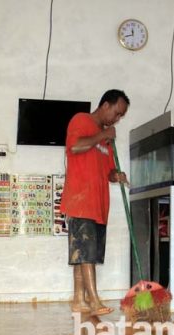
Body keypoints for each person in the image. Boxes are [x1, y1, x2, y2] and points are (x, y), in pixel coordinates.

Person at [60, 89, 130, 316]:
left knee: (83, 254)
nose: (117, 119)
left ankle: (79, 300)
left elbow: (108, 172)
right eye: (117, 113)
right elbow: (75, 147)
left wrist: (116, 175)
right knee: (87, 253)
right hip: (81, 201)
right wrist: (102, 136)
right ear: (105, 105)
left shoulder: (105, 139)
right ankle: (94, 300)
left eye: (121, 116)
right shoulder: (81, 120)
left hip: (99, 204)